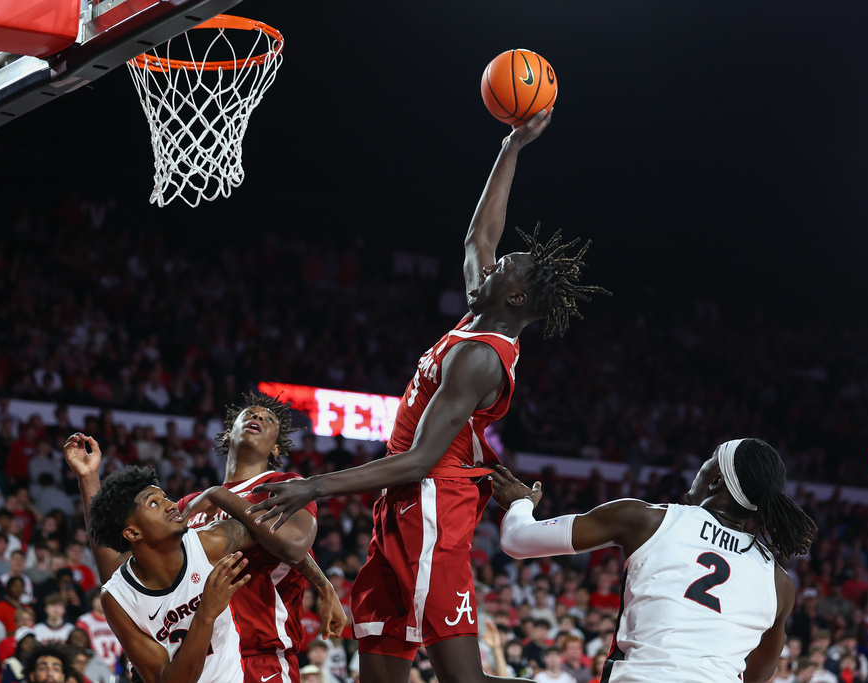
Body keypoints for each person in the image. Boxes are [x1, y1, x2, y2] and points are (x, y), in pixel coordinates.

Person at [248, 109, 607, 683]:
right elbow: (477, 236)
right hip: (403, 506)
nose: (492, 264)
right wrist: (512, 146)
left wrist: (314, 485)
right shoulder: (479, 311)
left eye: (505, 269)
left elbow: (416, 458)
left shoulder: (481, 355)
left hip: (431, 505)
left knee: (464, 680)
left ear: (514, 300)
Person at [490, 438, 818, 683]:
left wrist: (520, 504)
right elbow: (758, 676)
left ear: (716, 480)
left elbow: (516, 540)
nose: (700, 468)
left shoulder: (648, 519)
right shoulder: (779, 582)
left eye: (708, 461)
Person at [71, 439, 320, 683]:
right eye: (154, 503)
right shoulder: (116, 597)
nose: (170, 505)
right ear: (133, 533)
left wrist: (322, 585)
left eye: (165, 497)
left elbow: (283, 539)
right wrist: (207, 612)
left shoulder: (209, 542)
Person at [176, 395, 347, 682]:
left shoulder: (285, 486)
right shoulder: (188, 504)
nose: (258, 418)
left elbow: (294, 546)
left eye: (269, 420)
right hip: (197, 658)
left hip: (258, 656)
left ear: (276, 447)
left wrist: (219, 495)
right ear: (229, 432)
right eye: (250, 414)